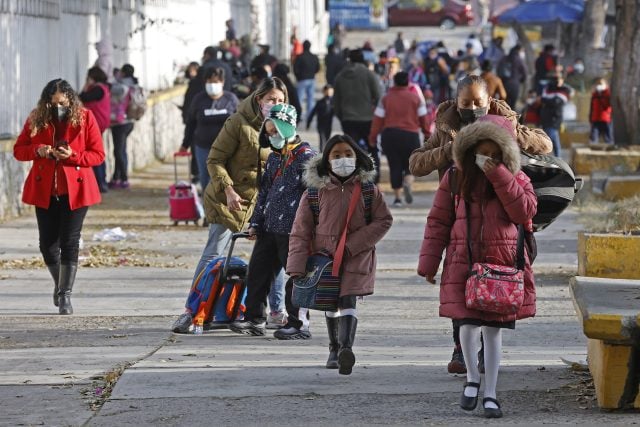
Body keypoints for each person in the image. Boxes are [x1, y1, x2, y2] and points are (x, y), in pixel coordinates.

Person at [408, 75, 551, 373]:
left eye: (478, 103)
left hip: (501, 223)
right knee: (460, 284)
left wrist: (514, 137)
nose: (472, 108)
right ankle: (461, 349)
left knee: (497, 283)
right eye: (466, 103)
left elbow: (545, 143)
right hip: (461, 218)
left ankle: (486, 351)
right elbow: (416, 164)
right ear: (456, 102)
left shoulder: (504, 123)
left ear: (489, 102)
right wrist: (450, 150)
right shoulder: (446, 127)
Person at [418, 116, 537, 418]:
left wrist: (499, 174)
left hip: (502, 265)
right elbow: (438, 221)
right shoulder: (456, 179)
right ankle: (472, 378)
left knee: (493, 332)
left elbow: (524, 212)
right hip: (463, 264)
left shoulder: (517, 178)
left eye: (495, 154)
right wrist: (429, 262)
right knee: (467, 326)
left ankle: (492, 392)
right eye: (481, 153)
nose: (487, 159)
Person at [172, 77, 289, 333]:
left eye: (280, 101)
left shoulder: (283, 126)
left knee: (273, 257)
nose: (275, 104)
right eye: (271, 99)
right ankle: (192, 311)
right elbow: (214, 159)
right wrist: (228, 189)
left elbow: (287, 161)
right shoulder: (237, 123)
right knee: (214, 253)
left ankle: (277, 311)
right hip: (228, 200)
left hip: (263, 204)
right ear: (259, 99)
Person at [287, 134, 393, 374]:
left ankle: (346, 348)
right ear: (326, 160)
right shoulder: (314, 193)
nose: (342, 160)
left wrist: (353, 244)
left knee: (348, 299)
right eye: (336, 155)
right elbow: (300, 231)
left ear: (357, 158)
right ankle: (334, 348)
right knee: (330, 301)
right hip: (324, 258)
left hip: (357, 257)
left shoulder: (368, 191)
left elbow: (383, 220)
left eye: (348, 154)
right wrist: (296, 265)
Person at [13, 78, 105, 314]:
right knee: (47, 244)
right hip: (45, 189)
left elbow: (98, 155)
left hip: (76, 189)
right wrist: (38, 150)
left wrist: (72, 155)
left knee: (70, 241)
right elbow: (18, 150)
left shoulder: (85, 117)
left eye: (62, 103)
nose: (57, 108)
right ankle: (59, 284)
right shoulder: (37, 117)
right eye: (52, 103)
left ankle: (65, 295)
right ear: (46, 101)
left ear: (70, 100)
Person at [229, 104, 316, 338]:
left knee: (297, 276)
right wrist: (255, 223)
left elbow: (316, 198)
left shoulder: (307, 158)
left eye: (276, 131)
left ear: (288, 127)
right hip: (268, 228)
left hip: (294, 231)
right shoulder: (275, 158)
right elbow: (264, 193)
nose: (272, 136)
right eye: (268, 133)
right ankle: (254, 319)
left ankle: (299, 324)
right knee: (258, 273)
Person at [369, 71, 430, 207]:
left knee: (394, 165)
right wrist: (427, 135)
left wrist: (372, 137)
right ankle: (407, 182)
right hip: (411, 135)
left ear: (394, 82)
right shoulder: (416, 99)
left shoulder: (386, 98)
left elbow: (377, 120)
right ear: (408, 82)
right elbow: (424, 119)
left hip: (390, 135)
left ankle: (397, 199)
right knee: (411, 164)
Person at [179, 67, 239, 192]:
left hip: (226, 148)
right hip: (203, 147)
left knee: (224, 178)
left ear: (222, 82)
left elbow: (240, 123)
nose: (212, 85)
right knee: (205, 178)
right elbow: (191, 123)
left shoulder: (231, 99)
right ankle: (208, 207)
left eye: (215, 82)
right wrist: (185, 144)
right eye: (209, 82)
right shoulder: (198, 99)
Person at [333, 49, 382, 182]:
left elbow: (335, 102)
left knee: (350, 150)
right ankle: (374, 177)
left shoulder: (340, 76)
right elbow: (378, 96)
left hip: (348, 119)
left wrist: (341, 116)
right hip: (367, 118)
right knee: (372, 148)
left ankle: (351, 178)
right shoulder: (369, 75)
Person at [79, 66, 111, 193]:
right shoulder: (104, 88)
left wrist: (86, 85)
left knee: (94, 153)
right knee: (98, 152)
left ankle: (100, 183)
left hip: (95, 123)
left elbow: (82, 97)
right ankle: (101, 182)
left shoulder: (97, 89)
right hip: (100, 122)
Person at [109, 63, 138, 189]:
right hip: (130, 121)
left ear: (124, 73)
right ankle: (116, 178)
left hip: (119, 122)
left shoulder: (121, 86)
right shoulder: (133, 84)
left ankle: (124, 179)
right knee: (121, 151)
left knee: (118, 151)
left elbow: (110, 89)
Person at [540, 72, 572, 157]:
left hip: (556, 117)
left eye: (559, 79)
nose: (557, 81)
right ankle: (558, 158)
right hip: (546, 116)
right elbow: (543, 98)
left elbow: (559, 101)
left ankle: (543, 157)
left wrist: (550, 101)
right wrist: (552, 100)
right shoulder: (548, 87)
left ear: (562, 79)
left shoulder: (565, 89)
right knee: (553, 138)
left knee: (549, 137)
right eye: (555, 79)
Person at [293, 40, 320, 121]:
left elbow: (295, 69)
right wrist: (313, 73)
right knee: (310, 98)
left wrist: (298, 77)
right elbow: (317, 68)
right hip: (311, 79)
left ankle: (299, 115)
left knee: (299, 99)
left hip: (302, 80)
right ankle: (310, 116)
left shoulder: (299, 57)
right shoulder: (314, 57)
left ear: (303, 46)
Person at [497, 45, 528, 110]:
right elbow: (525, 72)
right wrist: (521, 80)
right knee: (512, 105)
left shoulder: (504, 58)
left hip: (504, 84)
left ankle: (503, 118)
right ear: (519, 51)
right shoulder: (519, 60)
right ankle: (511, 119)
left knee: (504, 104)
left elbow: (498, 70)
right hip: (515, 84)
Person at [306, 84, 334, 152]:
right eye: (328, 91)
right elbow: (313, 113)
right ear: (324, 92)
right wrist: (308, 123)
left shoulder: (333, 102)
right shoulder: (320, 102)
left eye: (331, 92)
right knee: (322, 139)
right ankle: (321, 153)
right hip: (321, 125)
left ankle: (326, 152)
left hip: (329, 124)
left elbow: (337, 112)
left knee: (327, 139)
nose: (329, 93)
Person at [589, 77, 612, 144]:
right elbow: (592, 107)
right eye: (598, 84)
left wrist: (601, 95)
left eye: (601, 83)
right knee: (594, 138)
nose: (599, 85)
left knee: (608, 138)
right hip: (595, 119)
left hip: (606, 119)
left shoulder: (607, 94)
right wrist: (590, 118)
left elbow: (607, 105)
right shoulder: (594, 95)